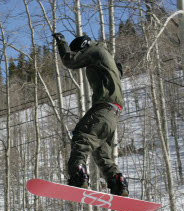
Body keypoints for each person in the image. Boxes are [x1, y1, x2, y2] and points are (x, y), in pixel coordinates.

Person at [52, 33, 129, 197]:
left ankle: (78, 175)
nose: (81, 58)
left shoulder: (95, 51)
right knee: (101, 153)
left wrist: (61, 43)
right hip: (113, 113)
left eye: (79, 52)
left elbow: (70, 61)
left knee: (82, 135)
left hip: (104, 107)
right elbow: (116, 73)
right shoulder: (104, 56)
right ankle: (117, 183)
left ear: (83, 47)